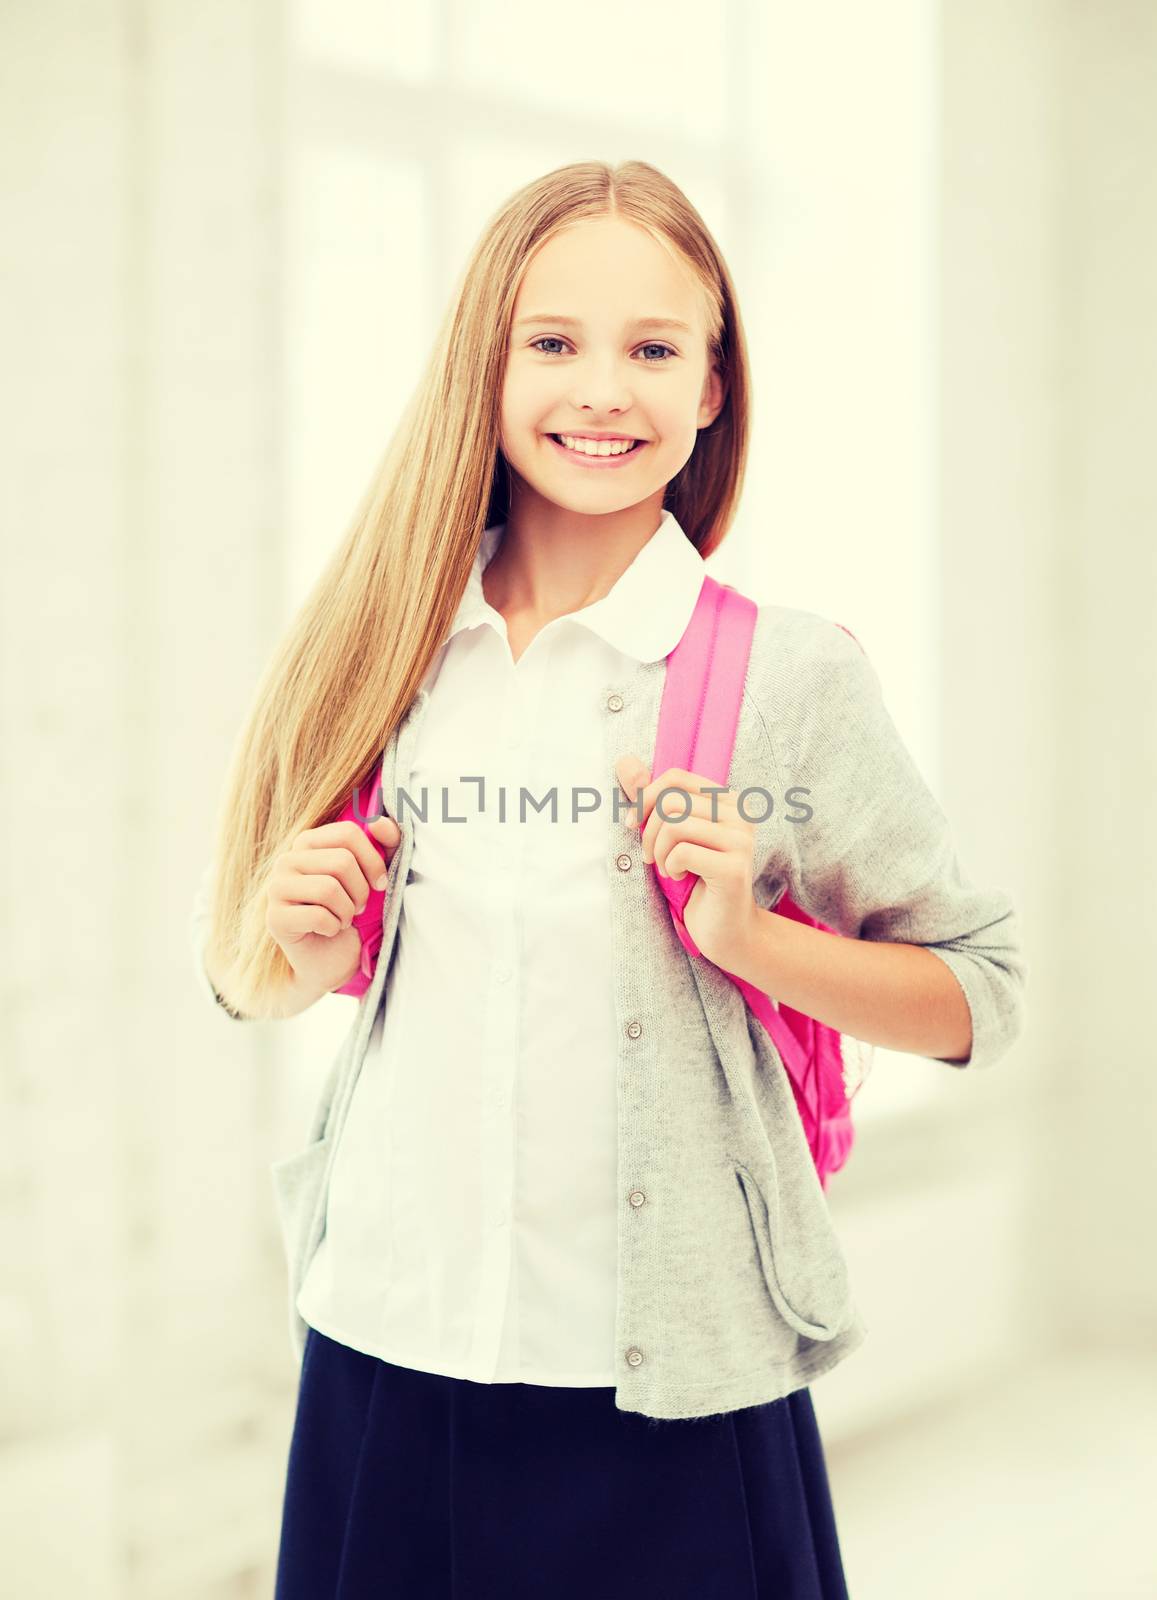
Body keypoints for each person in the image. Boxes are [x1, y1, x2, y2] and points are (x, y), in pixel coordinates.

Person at [189, 159, 1027, 1599]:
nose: (602, 390)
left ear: (712, 386)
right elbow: (261, 979)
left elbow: (978, 995)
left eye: (652, 349)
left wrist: (751, 937)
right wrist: (303, 949)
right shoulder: (382, 649)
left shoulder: (788, 675)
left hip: (668, 1394)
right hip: (383, 1352)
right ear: (487, 365)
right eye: (553, 342)